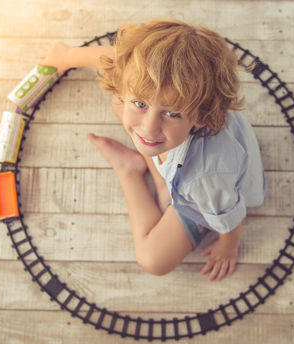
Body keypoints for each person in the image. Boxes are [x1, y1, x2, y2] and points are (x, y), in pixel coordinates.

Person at [38, 19, 265, 282]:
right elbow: (118, 58)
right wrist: (67, 56)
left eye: (171, 113)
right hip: (182, 161)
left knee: (152, 260)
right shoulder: (156, 95)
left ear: (201, 115)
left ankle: (130, 171)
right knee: (120, 99)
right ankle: (160, 176)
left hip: (197, 197)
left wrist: (228, 247)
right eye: (141, 104)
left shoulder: (204, 179)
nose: (149, 127)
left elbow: (228, 216)